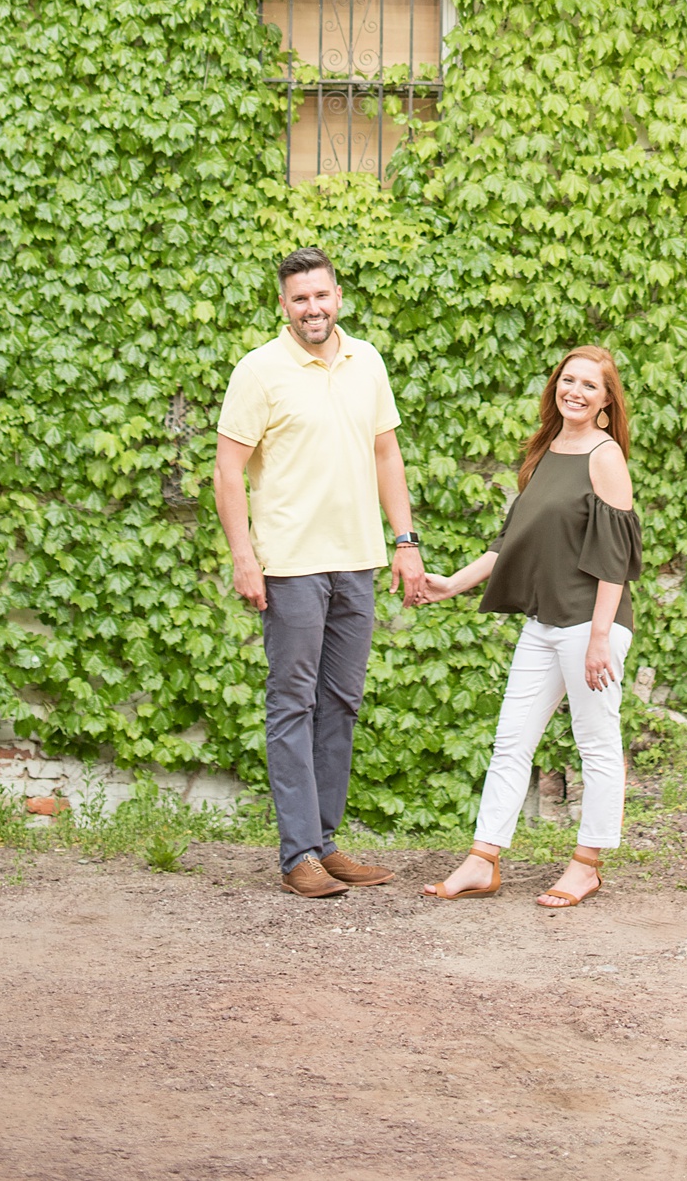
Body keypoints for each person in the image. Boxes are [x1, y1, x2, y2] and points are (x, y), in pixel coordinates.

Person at [214, 247, 427, 898]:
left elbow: (386, 453)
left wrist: (405, 540)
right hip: (292, 565)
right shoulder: (259, 370)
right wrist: (244, 555)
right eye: (300, 298)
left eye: (322, 295)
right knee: (292, 703)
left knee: (341, 702)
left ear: (339, 296)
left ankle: (326, 843)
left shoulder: (367, 362)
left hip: (357, 558)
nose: (313, 307)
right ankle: (298, 852)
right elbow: (227, 471)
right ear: (284, 304)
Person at [418, 346, 641, 909]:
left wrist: (598, 637)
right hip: (545, 624)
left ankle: (587, 864)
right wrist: (450, 584)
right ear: (556, 386)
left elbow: (615, 556)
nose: (577, 391)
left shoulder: (604, 455)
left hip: (591, 625)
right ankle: (482, 861)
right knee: (511, 741)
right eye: (569, 380)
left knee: (596, 743)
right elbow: (509, 543)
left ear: (608, 401)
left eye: (591, 385)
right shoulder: (546, 452)